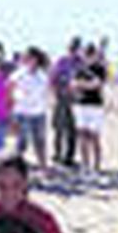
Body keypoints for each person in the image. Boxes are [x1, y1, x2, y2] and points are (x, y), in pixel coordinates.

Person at [9, 47, 51, 168]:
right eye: (25, 57)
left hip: (39, 112)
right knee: (22, 143)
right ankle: (16, 168)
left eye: (28, 57)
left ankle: (43, 167)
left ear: (35, 59)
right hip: (22, 112)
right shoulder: (19, 74)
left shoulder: (42, 75)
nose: (26, 59)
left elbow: (46, 91)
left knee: (40, 142)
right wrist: (12, 105)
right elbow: (9, 88)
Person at [71, 43, 108, 173]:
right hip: (80, 104)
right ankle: (85, 165)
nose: (88, 57)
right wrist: (84, 84)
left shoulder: (100, 68)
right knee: (82, 135)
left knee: (94, 136)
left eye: (90, 54)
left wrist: (83, 84)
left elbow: (97, 85)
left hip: (95, 105)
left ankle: (96, 166)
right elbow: (73, 84)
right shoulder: (80, 69)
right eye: (86, 54)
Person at [49, 37, 83, 169]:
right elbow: (52, 79)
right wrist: (55, 94)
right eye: (72, 47)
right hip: (62, 97)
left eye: (76, 47)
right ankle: (57, 154)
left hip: (75, 99)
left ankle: (69, 157)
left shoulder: (80, 62)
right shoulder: (61, 61)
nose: (74, 50)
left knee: (72, 129)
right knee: (59, 127)